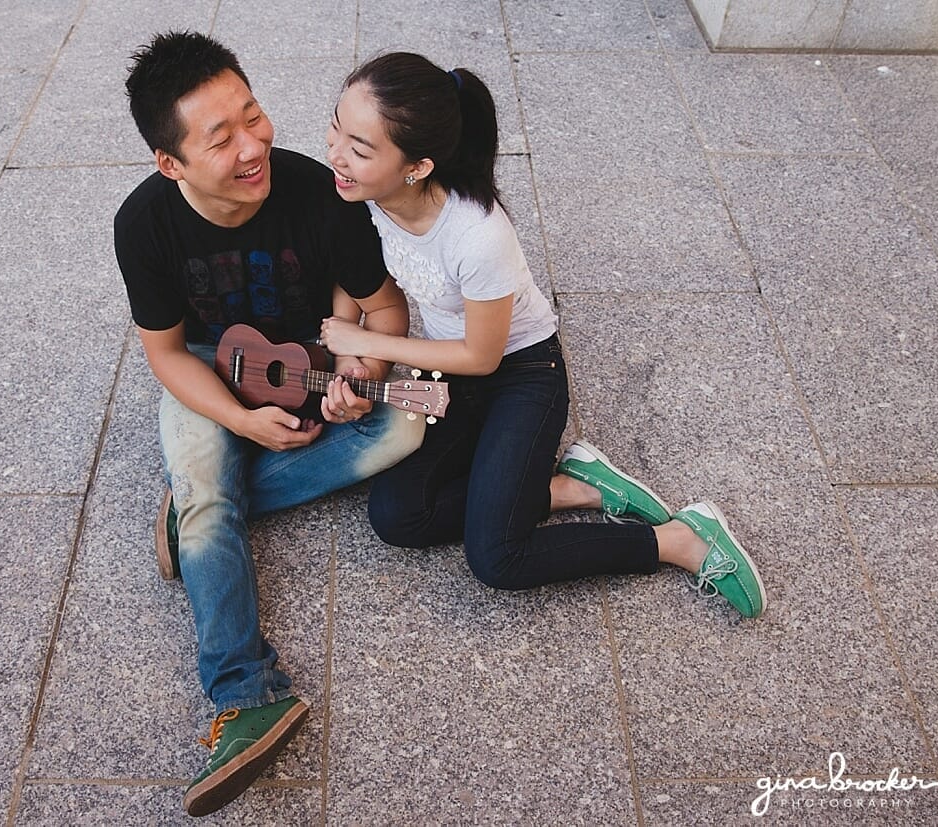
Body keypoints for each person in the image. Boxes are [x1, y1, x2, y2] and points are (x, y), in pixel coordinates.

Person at [320, 52, 766, 618]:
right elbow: (354, 278)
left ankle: (680, 540)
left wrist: (367, 344)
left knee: (498, 556)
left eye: (359, 149)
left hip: (521, 373)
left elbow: (482, 357)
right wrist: (352, 356)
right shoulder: (362, 195)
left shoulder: (476, 234)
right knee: (396, 517)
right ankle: (576, 488)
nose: (336, 154)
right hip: (445, 370)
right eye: (337, 125)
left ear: (417, 167)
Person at [114, 33, 424, 817]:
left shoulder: (320, 193)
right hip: (210, 371)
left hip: (311, 361)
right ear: (171, 163)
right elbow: (166, 355)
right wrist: (241, 423)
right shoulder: (143, 224)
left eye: (253, 115)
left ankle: (195, 506)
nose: (255, 145)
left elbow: (386, 310)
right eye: (221, 139)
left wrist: (367, 375)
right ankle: (248, 694)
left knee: (411, 425)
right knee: (214, 498)